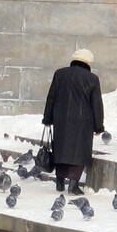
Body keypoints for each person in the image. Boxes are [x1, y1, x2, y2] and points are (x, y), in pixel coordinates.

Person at [42, 48, 105, 196]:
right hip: (83, 121)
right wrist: (98, 126)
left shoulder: (60, 73)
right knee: (79, 152)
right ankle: (73, 184)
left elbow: (51, 97)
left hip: (61, 118)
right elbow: (97, 103)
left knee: (61, 148)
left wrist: (48, 118)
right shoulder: (92, 78)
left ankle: (59, 181)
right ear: (88, 63)